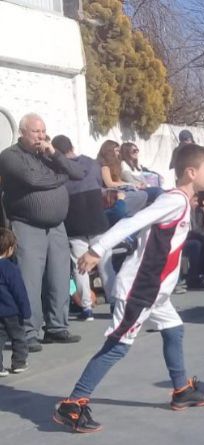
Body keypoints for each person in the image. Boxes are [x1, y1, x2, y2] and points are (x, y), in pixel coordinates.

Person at [54, 145, 204, 434]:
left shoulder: (180, 201)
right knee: (118, 345)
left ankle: (181, 389)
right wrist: (97, 248)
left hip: (157, 291)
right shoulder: (175, 201)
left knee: (174, 329)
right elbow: (133, 221)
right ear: (192, 173)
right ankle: (74, 404)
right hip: (140, 290)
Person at [0, 113, 84, 350]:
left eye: (43, 131)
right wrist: (60, 177)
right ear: (22, 133)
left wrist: (55, 155)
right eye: (35, 131)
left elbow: (77, 173)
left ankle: (57, 327)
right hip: (27, 224)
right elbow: (32, 180)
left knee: (59, 278)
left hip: (57, 226)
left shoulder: (49, 156)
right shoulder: (9, 156)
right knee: (30, 281)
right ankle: (28, 332)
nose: (41, 136)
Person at [51, 135, 113, 320]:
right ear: (72, 145)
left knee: (81, 267)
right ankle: (116, 303)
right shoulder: (92, 164)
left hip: (74, 223)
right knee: (105, 264)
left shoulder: (58, 169)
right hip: (97, 220)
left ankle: (87, 309)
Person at [0, 228, 30, 376]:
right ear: (10, 248)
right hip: (12, 311)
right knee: (18, 337)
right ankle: (18, 363)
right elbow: (19, 291)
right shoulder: (10, 268)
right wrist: (26, 310)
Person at [97, 140, 148, 216]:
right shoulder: (104, 166)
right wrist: (129, 184)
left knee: (142, 194)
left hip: (117, 191)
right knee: (142, 195)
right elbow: (109, 184)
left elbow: (119, 181)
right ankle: (122, 212)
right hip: (110, 194)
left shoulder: (115, 165)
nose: (118, 153)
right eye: (116, 151)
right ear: (109, 151)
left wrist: (132, 185)